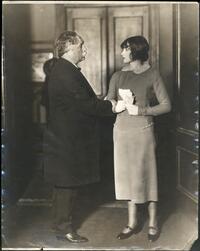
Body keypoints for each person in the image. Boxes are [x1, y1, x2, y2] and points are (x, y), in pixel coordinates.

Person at [43, 31, 118, 243]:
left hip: (64, 137)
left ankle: (61, 226)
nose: (85, 49)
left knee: (64, 185)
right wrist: (112, 106)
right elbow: (85, 104)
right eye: (81, 46)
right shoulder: (66, 71)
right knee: (66, 185)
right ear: (69, 48)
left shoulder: (63, 69)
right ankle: (64, 229)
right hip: (68, 139)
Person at [106, 36, 171, 242]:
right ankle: (132, 222)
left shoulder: (152, 74)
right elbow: (108, 99)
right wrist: (116, 105)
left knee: (148, 177)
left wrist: (140, 110)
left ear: (135, 51)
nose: (122, 53)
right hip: (121, 132)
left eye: (125, 49)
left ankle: (153, 223)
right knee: (127, 179)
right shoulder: (117, 75)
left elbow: (166, 105)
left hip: (142, 132)